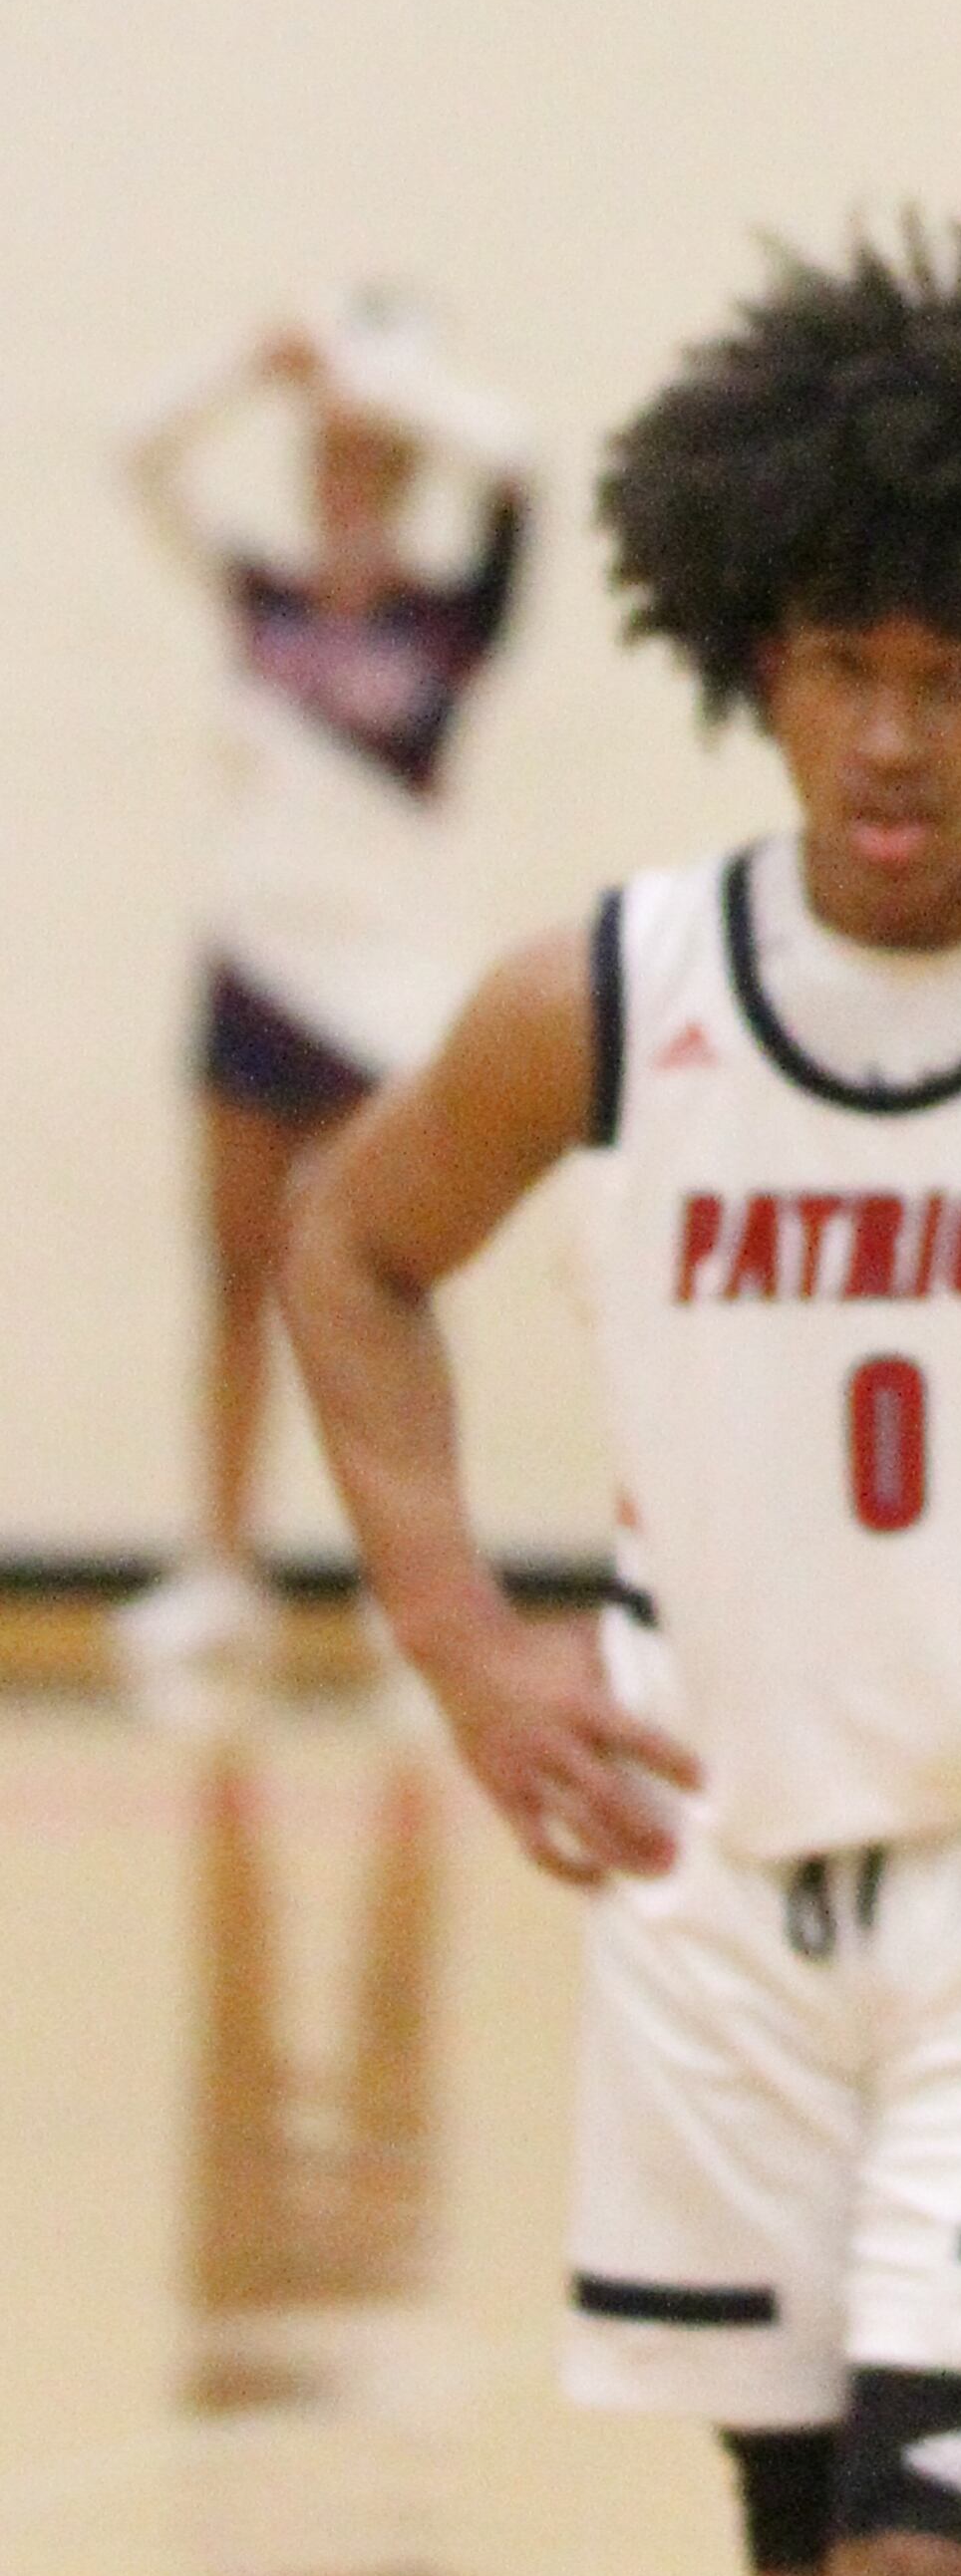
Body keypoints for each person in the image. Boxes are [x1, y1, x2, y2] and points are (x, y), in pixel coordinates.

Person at [279, 233, 961, 2576]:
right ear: (752, 671)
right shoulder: (609, 993)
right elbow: (346, 1250)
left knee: (930, 2550)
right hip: (712, 1889)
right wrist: (472, 1648)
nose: (893, 739)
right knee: (809, 2569)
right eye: (843, 673)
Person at [122, 293, 535, 1697]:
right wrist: (249, 362)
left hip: (390, 994)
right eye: (327, 459)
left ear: (401, 470)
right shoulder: (264, 596)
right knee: (232, 1271)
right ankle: (220, 1568)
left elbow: (524, 457)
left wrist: (387, 378)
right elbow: (137, 454)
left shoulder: (450, 619)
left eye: (368, 462)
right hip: (256, 971)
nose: (341, 480)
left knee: (381, 1283)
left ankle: (405, 1582)